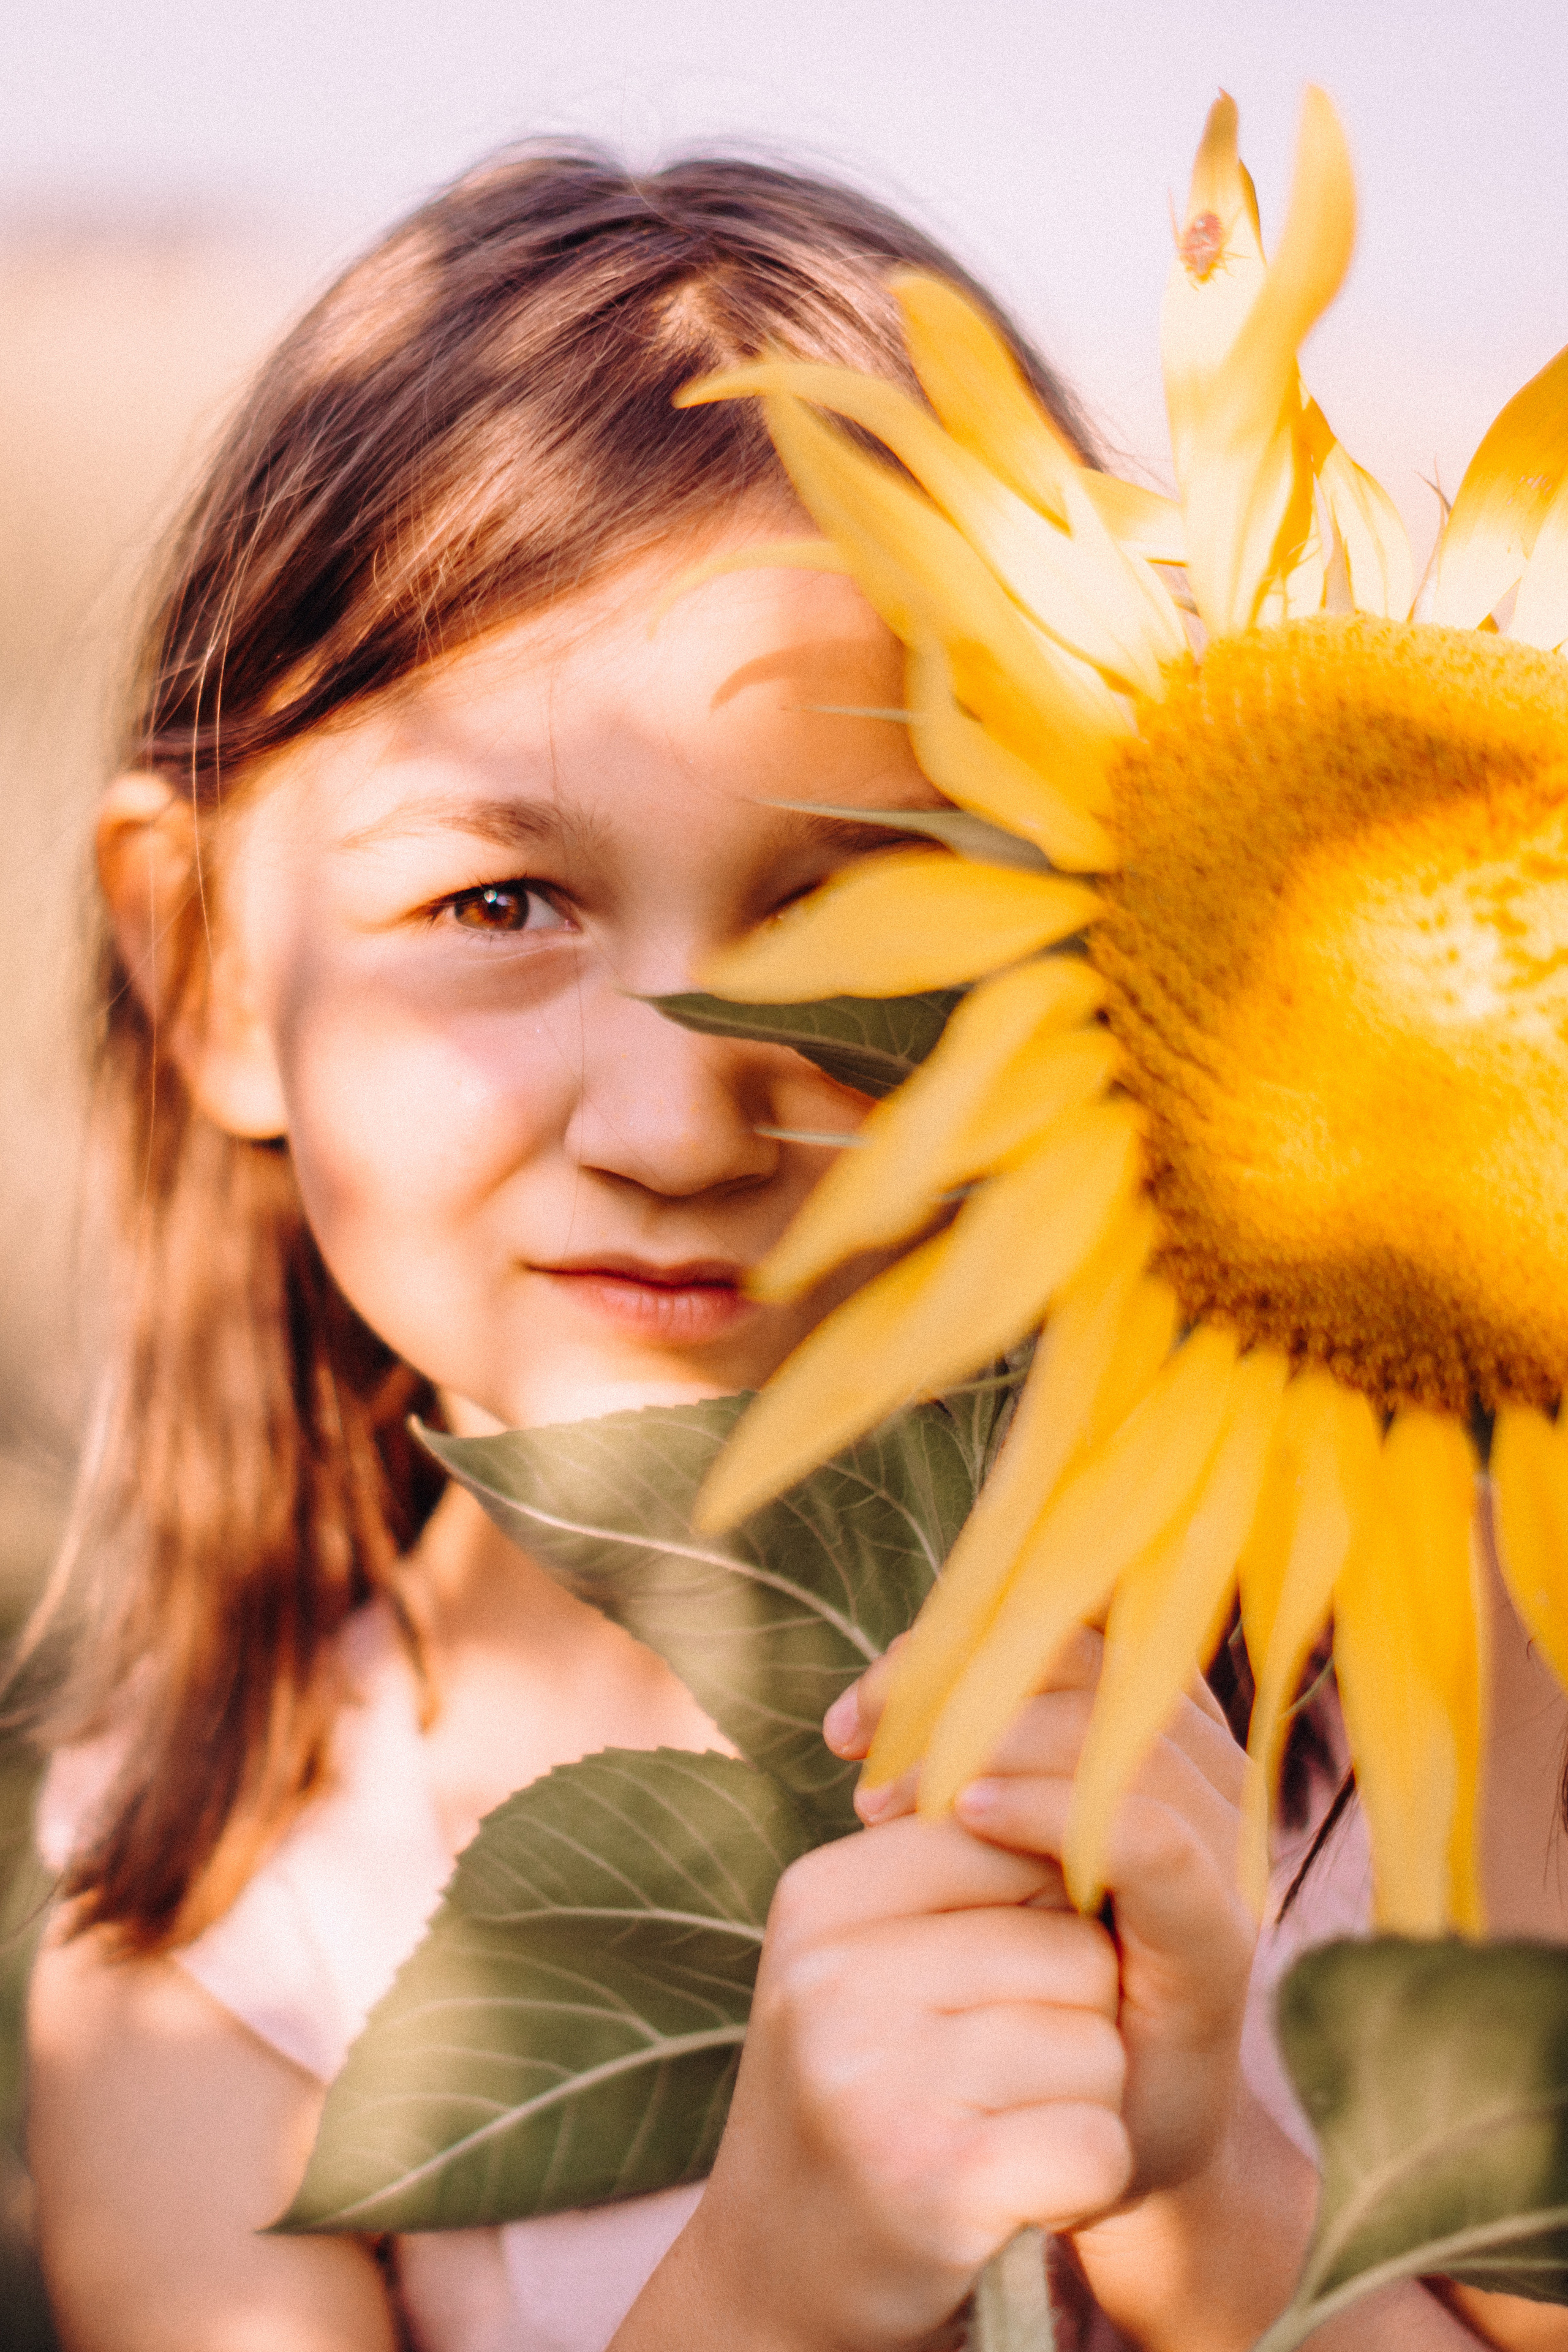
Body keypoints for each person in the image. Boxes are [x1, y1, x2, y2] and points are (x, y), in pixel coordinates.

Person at [19, 143, 1567, 2352]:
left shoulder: (1423, 1653)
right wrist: (779, 2281)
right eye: (499, 902)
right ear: (199, 966)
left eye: (851, 915)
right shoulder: (206, 1965)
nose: (676, 1122)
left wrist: (1206, 2190)